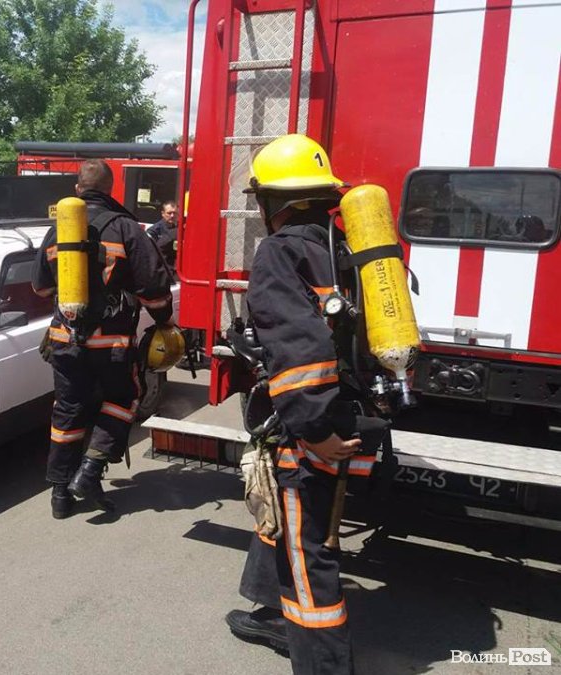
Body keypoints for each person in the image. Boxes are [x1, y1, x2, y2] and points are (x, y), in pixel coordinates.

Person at [225, 134, 378, 675]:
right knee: (286, 523)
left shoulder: (280, 250)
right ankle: (271, 612)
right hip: (353, 414)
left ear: (275, 202)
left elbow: (299, 349)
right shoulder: (345, 247)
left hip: (314, 431)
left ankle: (325, 665)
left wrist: (314, 430)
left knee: (308, 559)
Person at [32, 159, 174, 519]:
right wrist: (164, 322)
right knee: (123, 399)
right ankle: (90, 471)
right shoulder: (125, 227)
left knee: (68, 409)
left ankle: (60, 494)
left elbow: (41, 287)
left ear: (77, 189)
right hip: (111, 343)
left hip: (65, 339)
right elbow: (154, 286)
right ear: (111, 189)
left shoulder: (57, 231)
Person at [146, 200, 178, 267]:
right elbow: (149, 252)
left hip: (172, 266)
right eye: (169, 213)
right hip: (159, 267)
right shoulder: (154, 230)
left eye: (174, 213)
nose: (172, 216)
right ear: (163, 213)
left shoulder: (178, 228)